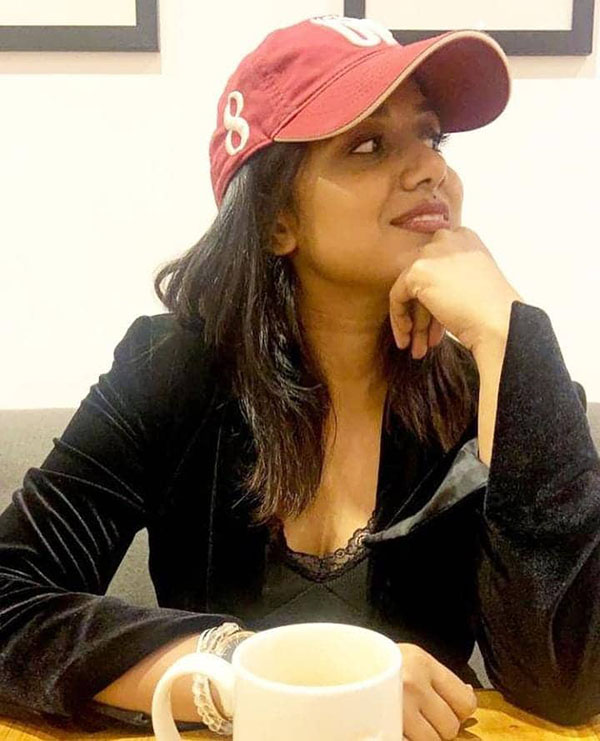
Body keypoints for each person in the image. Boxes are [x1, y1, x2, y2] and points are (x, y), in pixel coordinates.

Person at [0, 14, 598, 741]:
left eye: (432, 137)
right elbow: (8, 600)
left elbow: (567, 684)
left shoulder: (490, 378)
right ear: (276, 219)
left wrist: (509, 333)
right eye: (369, 145)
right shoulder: (174, 370)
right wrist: (250, 675)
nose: (430, 170)